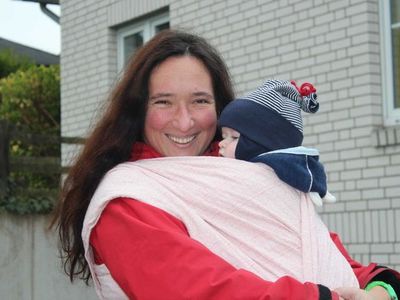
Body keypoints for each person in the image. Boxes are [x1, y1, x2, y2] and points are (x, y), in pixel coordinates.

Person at [52, 29, 400, 300]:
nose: (184, 122)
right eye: (163, 102)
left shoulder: (250, 174)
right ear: (137, 110)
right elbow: (204, 291)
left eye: (200, 101)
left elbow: (326, 255)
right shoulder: (126, 202)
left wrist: (382, 289)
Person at [218, 79, 336, 206]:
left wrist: (314, 184)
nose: (221, 143)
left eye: (234, 137)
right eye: (224, 136)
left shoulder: (271, 176)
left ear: (261, 144)